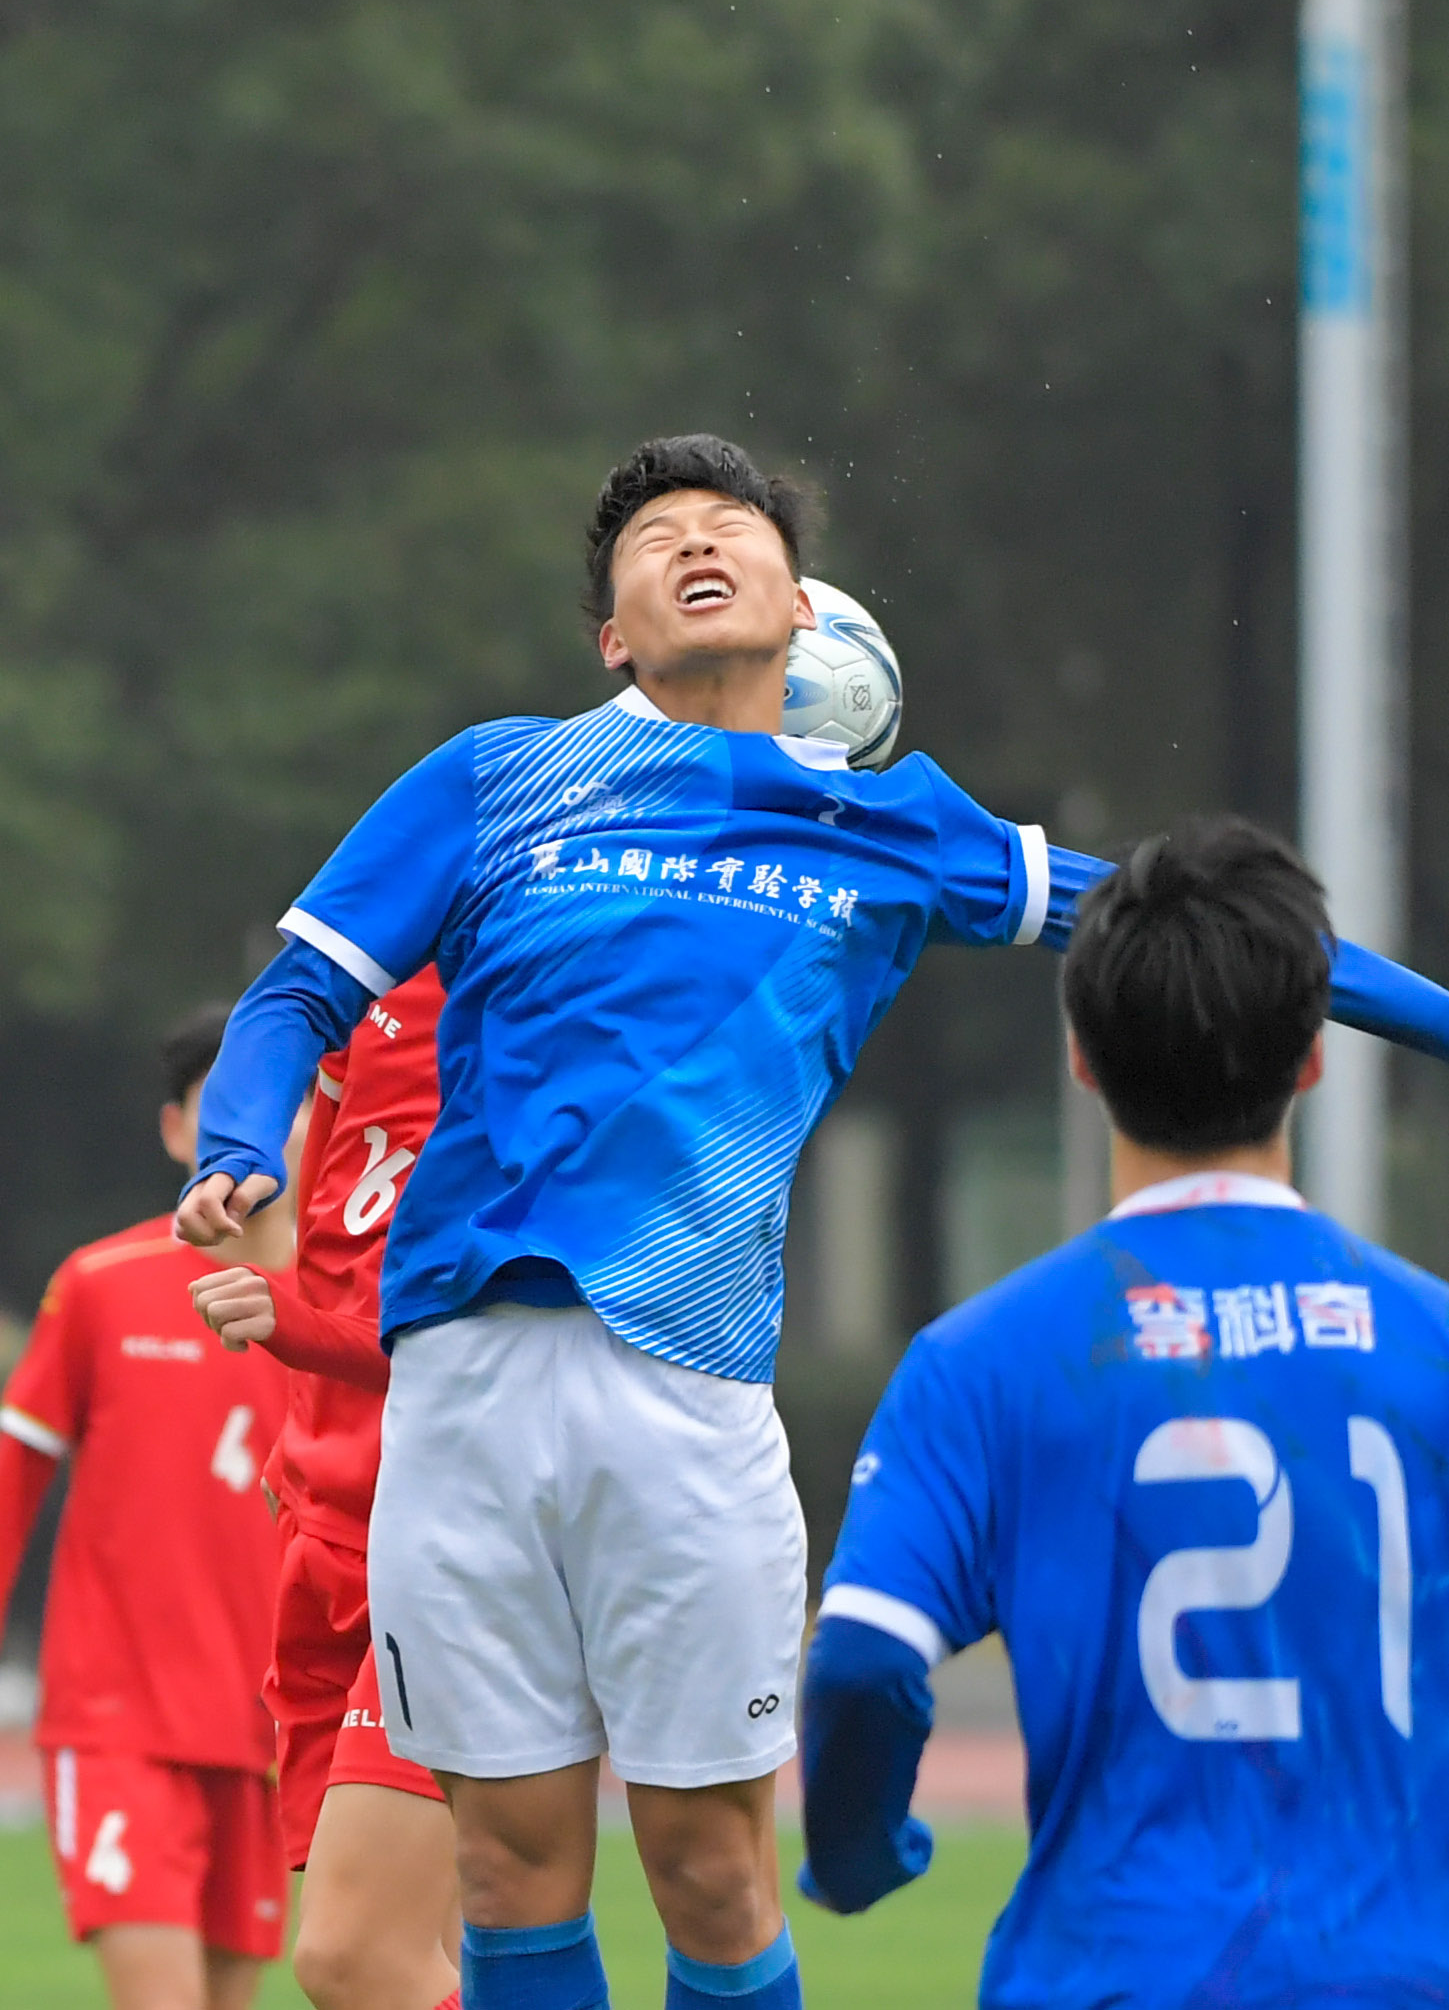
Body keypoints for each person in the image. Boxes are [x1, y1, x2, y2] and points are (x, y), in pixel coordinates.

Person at [174, 435, 1449, 2010]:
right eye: (656, 538)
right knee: (510, 1871)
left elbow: (1192, 923)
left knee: (710, 1869)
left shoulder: (888, 824)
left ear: (803, 607)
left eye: (733, 529)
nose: (696, 545)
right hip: (464, 1390)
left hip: (682, 1384)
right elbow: (302, 986)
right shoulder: (497, 774)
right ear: (611, 635)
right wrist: (239, 1137)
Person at [799, 816, 1449, 2007]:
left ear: (1083, 1056)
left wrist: (857, 1852)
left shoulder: (983, 1360)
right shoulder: (1433, 1340)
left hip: (1108, 1972)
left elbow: (862, 1659)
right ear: (1311, 1055)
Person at [0, 1005, 306, 2010]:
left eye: (291, 1096)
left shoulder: (356, 1315)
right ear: (178, 1129)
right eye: (226, 1104)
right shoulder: (102, 1286)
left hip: (268, 1732)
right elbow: (12, 1484)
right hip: (117, 1719)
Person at [190, 965, 461, 2010]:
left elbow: (496, 1346)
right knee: (435, 1948)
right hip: (332, 1535)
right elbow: (337, 1253)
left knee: (352, 1959)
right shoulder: (374, 985)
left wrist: (295, 1328)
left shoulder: (535, 1013)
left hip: (450, 1550)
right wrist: (302, 1451)